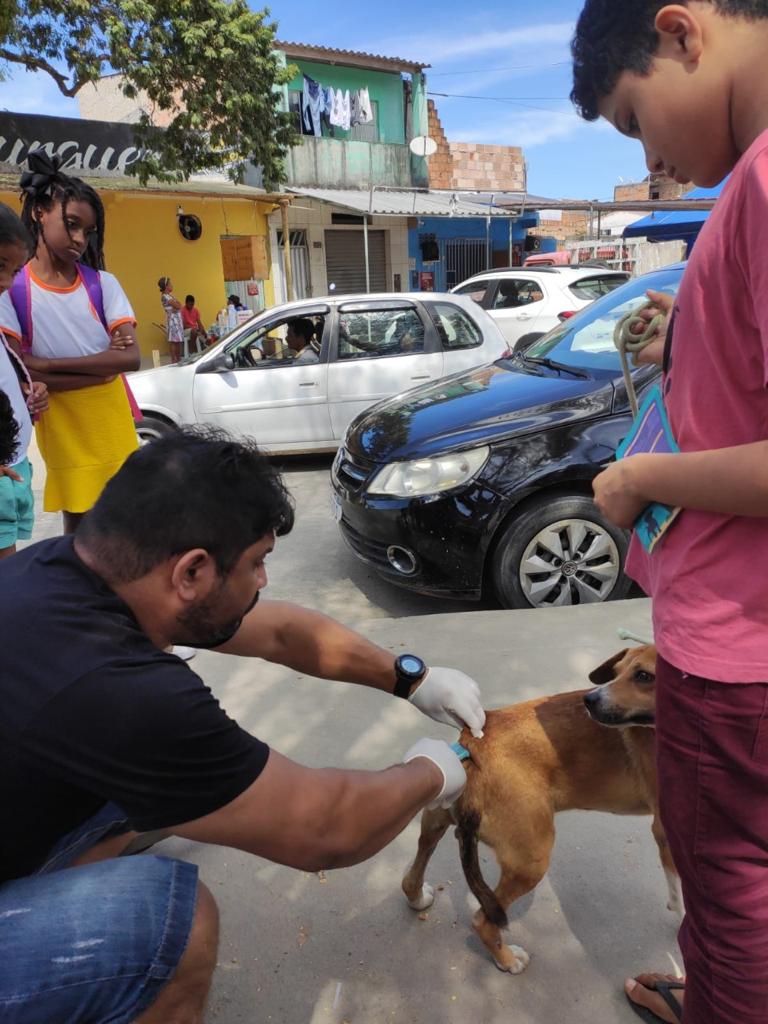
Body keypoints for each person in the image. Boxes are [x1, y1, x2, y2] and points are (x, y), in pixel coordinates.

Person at [0, 426, 485, 1024]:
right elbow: (327, 829)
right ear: (192, 573)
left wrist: (410, 677)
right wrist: (432, 771)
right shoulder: (121, 690)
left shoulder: (63, 567)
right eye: (257, 564)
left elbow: (280, 632)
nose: (262, 582)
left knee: (146, 793)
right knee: (171, 922)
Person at [571, 3, 768, 1022]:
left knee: (730, 899)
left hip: (740, 657)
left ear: (682, 33)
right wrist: (679, 346)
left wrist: (640, 481)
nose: (657, 161)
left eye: (636, 121)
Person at [0, 151, 140, 537]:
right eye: (72, 224)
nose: (80, 239)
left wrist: (47, 366)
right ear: (39, 212)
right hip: (62, 427)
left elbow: (130, 358)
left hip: (111, 423)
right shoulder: (14, 290)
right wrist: (101, 369)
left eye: (88, 231)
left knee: (124, 523)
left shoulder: (102, 284)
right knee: (79, 528)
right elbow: (19, 373)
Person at [0, 203, 48, 560]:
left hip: (14, 463)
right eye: (0, 266)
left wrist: (25, 388)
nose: (7, 282)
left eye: (14, 270)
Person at [159, 276, 185, 363]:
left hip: (177, 320)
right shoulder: (165, 296)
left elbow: (179, 305)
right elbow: (178, 305)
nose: (172, 285)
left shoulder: (170, 296)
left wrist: (177, 306)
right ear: (166, 286)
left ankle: (178, 358)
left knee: (177, 340)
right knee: (173, 340)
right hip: (172, 321)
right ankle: (174, 359)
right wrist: (176, 305)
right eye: (170, 284)